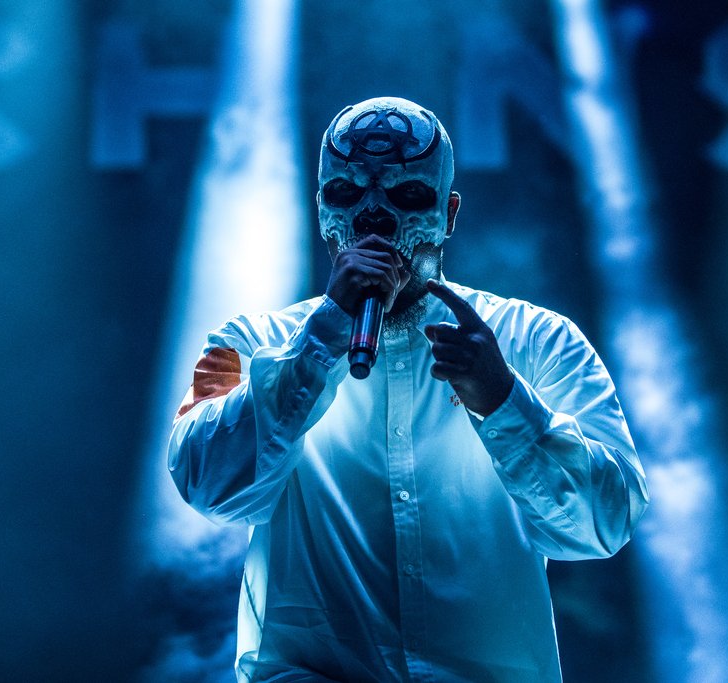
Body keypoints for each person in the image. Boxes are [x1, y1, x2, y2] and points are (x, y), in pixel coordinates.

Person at [168, 96, 649, 682]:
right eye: (346, 193)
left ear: (448, 213)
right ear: (320, 208)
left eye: (409, 195)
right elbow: (209, 488)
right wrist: (319, 343)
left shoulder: (541, 341)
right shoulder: (248, 343)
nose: (374, 218)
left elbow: (604, 523)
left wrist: (504, 400)